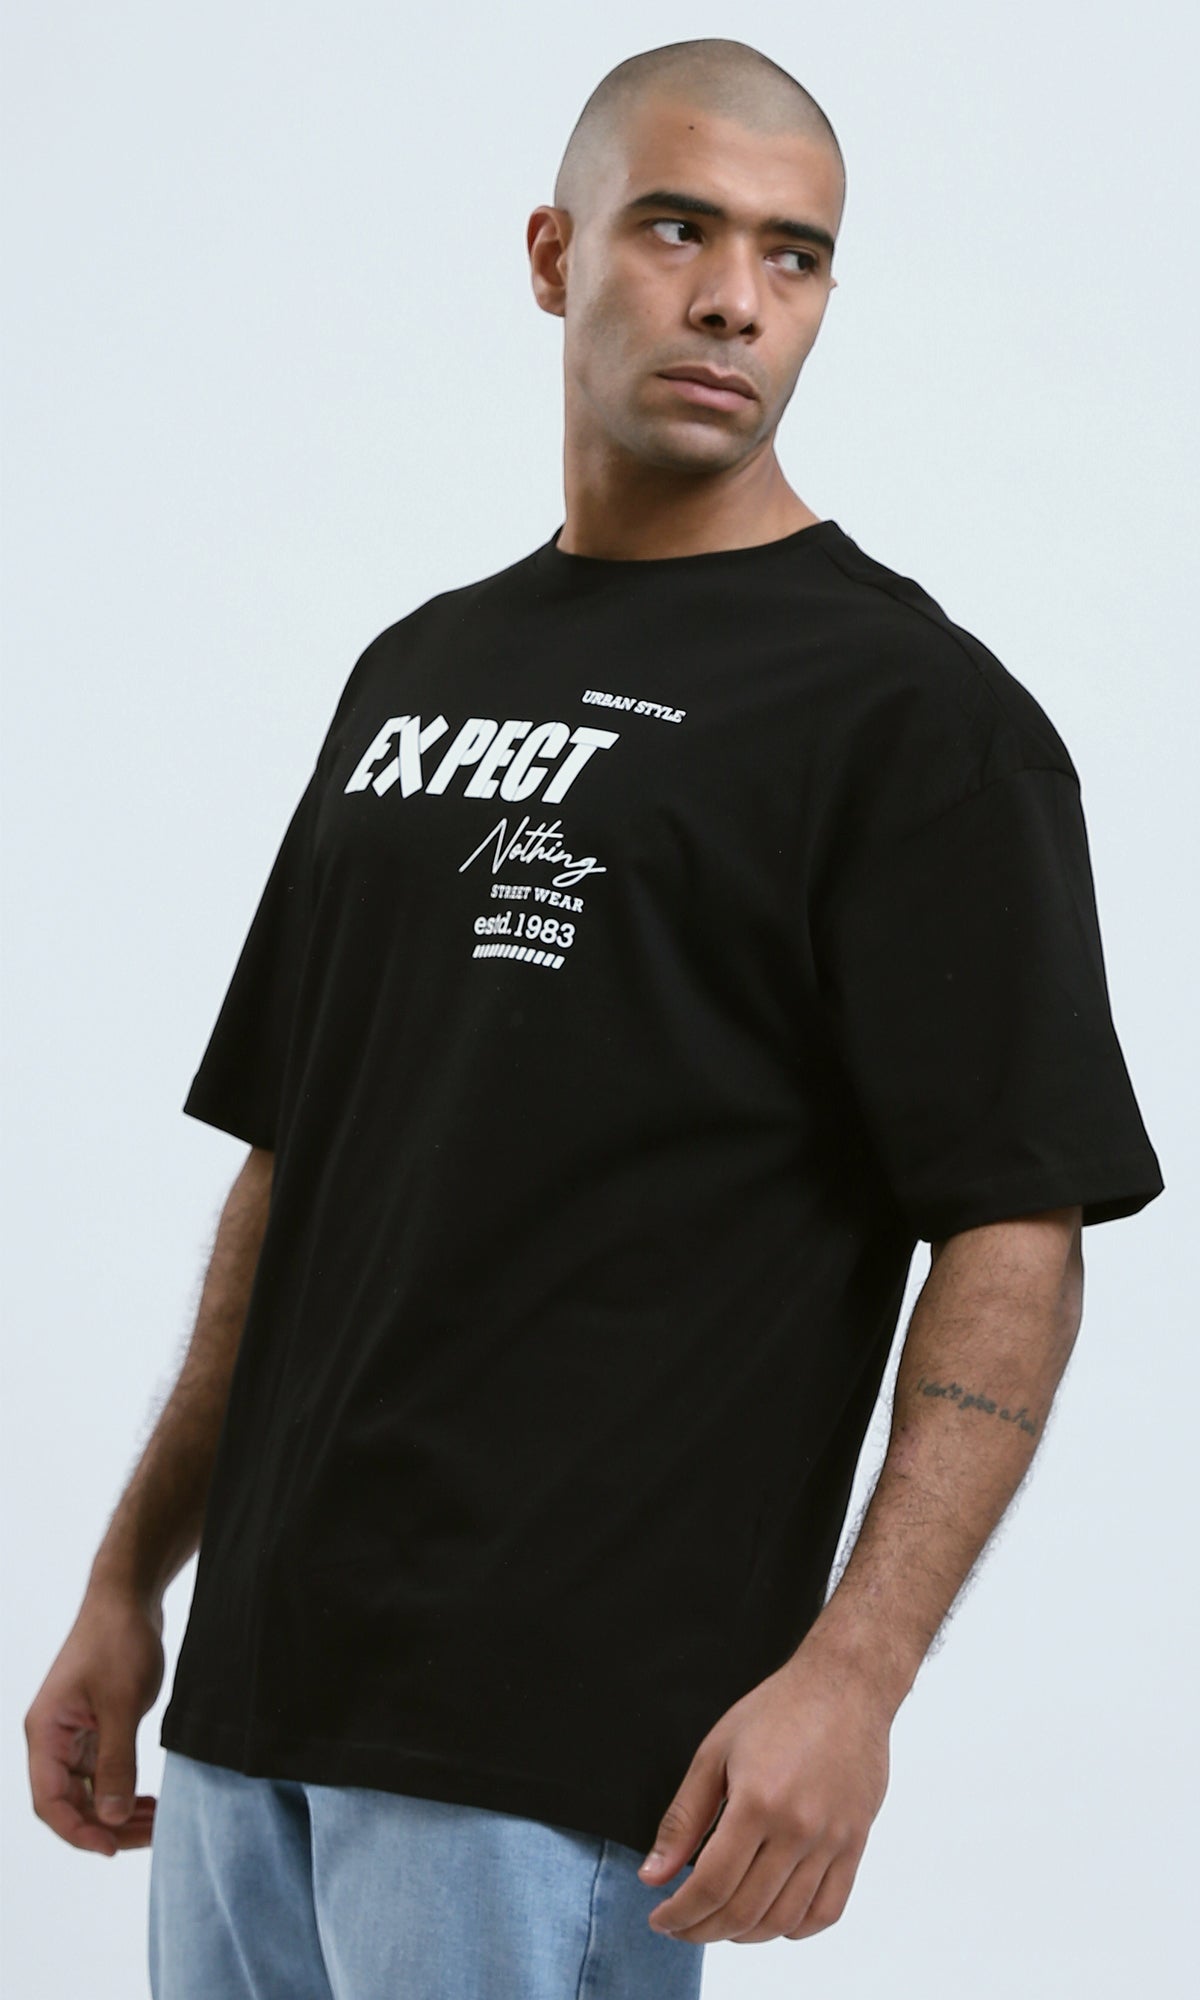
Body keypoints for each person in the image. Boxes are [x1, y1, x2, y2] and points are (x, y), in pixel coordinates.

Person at [25, 34, 1164, 2000]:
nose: (736, 297)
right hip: (253, 1708)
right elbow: (295, 1165)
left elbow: (1015, 1228)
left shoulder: (912, 722)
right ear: (554, 254)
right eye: (678, 228)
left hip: (553, 1744)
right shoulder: (415, 671)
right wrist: (133, 1576)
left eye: (794, 254)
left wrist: (857, 1672)